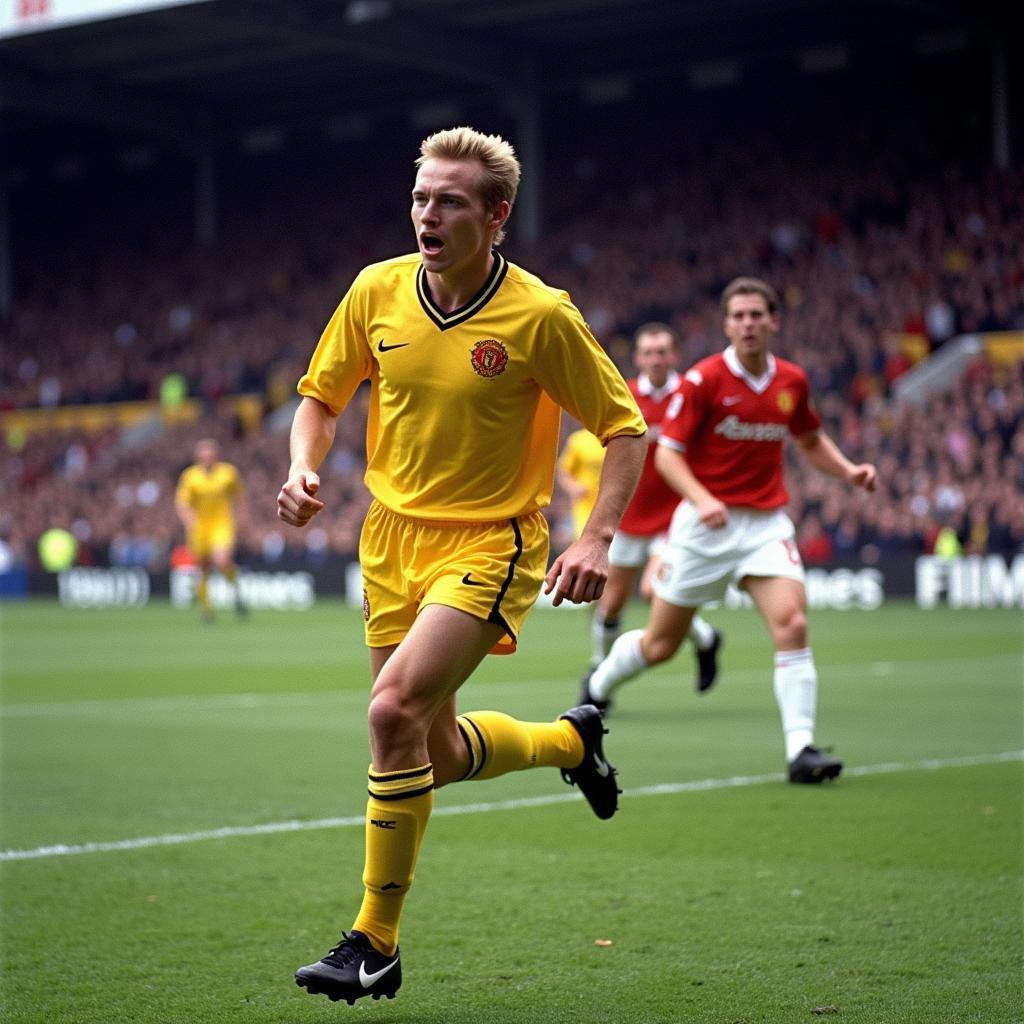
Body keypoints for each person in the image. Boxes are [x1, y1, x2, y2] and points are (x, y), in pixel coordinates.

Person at [276, 126, 647, 1006]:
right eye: (419, 198)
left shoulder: (541, 316)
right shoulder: (375, 292)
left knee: (392, 710)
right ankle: (570, 741)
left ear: (496, 216)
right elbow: (320, 399)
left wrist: (595, 540)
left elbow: (626, 429)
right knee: (429, 751)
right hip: (390, 538)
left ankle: (375, 940)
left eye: (448, 200)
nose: (427, 214)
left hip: (491, 541)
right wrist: (302, 463)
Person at [581, 277, 877, 784]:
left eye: (756, 315)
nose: (747, 324)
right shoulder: (703, 381)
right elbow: (669, 455)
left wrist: (848, 471)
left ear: (773, 321)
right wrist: (702, 499)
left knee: (793, 625)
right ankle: (598, 687)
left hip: (764, 526)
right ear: (726, 325)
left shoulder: (791, 382)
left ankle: (800, 750)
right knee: (661, 645)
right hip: (701, 528)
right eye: (738, 316)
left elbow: (809, 441)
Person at [582, 322, 721, 694]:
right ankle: (704, 640)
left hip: (675, 517)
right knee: (610, 604)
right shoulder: (625, 394)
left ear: (674, 355)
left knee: (655, 590)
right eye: (648, 352)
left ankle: (598, 687)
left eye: (662, 352)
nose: (656, 359)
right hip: (629, 514)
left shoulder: (690, 393)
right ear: (638, 358)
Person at [174, 437, 247, 621]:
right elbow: (182, 503)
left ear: (216, 456)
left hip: (222, 523)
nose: (207, 458)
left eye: (210, 455)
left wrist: (241, 517)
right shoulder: (190, 477)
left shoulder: (228, 473)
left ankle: (237, 593)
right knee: (203, 568)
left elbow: (239, 496)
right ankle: (207, 609)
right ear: (198, 457)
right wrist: (189, 520)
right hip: (199, 527)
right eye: (203, 455)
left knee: (222, 561)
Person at [556, 426, 606, 539]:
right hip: (585, 507)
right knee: (586, 542)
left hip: (610, 506)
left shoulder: (615, 440)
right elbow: (563, 471)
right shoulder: (578, 440)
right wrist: (574, 487)